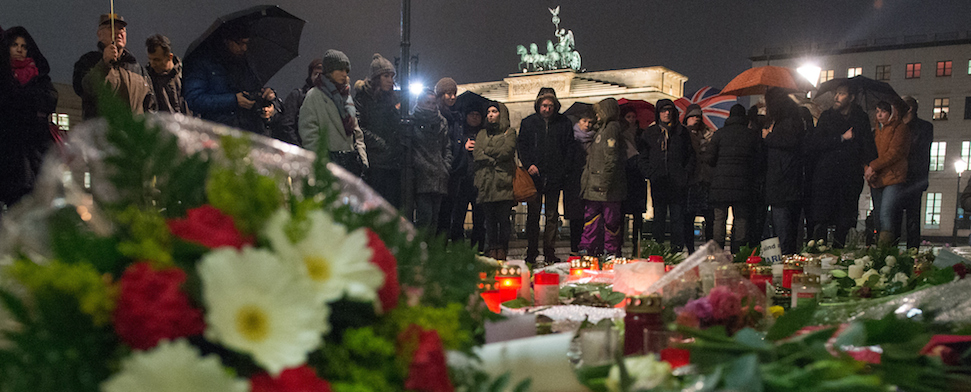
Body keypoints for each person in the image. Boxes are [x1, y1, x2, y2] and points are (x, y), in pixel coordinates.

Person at [805, 84, 871, 247]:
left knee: (845, 218)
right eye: (836, 93)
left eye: (841, 94)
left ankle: (838, 251)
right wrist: (841, 138)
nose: (836, 97)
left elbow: (867, 145)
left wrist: (868, 165)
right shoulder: (827, 116)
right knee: (822, 216)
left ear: (851, 97)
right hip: (827, 175)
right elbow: (817, 143)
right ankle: (818, 249)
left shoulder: (861, 118)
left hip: (850, 175)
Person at [183, 21, 276, 136]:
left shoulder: (246, 63)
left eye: (246, 43)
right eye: (240, 43)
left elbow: (254, 89)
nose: (244, 48)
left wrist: (266, 98)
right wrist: (233, 100)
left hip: (249, 132)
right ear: (227, 41)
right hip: (218, 134)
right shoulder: (202, 63)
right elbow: (193, 99)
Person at [0, 26, 57, 210]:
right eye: (14, 45)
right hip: (10, 156)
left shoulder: (39, 76)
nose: (19, 49)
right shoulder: (4, 77)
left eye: (23, 46)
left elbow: (49, 99)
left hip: (36, 154)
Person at [517, 87, 575, 264]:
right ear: (538, 105)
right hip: (534, 177)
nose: (547, 109)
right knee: (532, 216)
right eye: (544, 105)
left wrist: (563, 169)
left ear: (555, 106)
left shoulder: (564, 122)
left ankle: (550, 251)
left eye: (550, 105)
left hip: (555, 176)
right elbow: (522, 147)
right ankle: (532, 251)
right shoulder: (528, 123)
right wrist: (528, 165)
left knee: (552, 215)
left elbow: (569, 148)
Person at [298, 49, 368, 175]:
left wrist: (362, 160)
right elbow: (308, 132)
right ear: (329, 71)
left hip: (349, 164)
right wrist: (322, 160)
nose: (344, 74)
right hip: (328, 166)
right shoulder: (314, 95)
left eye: (346, 71)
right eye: (340, 69)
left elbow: (356, 132)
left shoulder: (346, 97)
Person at [73, 13, 155, 119]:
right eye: (111, 28)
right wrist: (104, 63)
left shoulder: (139, 69)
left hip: (133, 134)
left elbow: (151, 107)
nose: (118, 32)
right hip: (103, 133)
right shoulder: (88, 61)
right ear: (99, 34)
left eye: (121, 29)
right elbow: (84, 89)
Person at [638, 99, 695, 251]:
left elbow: (690, 156)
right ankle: (658, 249)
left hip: (678, 182)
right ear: (658, 113)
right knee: (659, 216)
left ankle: (676, 249)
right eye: (663, 111)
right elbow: (642, 156)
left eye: (669, 110)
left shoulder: (682, 132)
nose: (667, 113)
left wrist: (685, 174)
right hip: (659, 181)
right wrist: (650, 173)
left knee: (677, 217)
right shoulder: (650, 133)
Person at [704, 104, 761, 252]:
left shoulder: (720, 134)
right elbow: (758, 161)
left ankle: (717, 250)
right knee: (741, 219)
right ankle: (738, 250)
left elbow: (709, 158)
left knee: (719, 219)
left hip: (720, 183)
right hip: (743, 183)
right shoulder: (751, 135)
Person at [580, 98, 627, 257]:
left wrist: (604, 182)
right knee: (591, 219)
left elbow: (611, 157)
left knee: (610, 220)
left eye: (599, 111)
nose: (597, 115)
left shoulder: (611, 129)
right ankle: (589, 248)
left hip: (605, 188)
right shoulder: (602, 129)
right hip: (594, 186)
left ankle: (610, 251)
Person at [761, 87, 806, 255]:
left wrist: (768, 137)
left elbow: (789, 142)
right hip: (788, 181)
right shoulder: (792, 119)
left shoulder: (787, 122)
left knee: (783, 227)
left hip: (781, 181)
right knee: (788, 225)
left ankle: (785, 259)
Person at [354, 54, 402, 207]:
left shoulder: (392, 99)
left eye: (391, 76)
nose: (390, 80)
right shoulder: (363, 98)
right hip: (375, 162)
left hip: (392, 162)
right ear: (376, 78)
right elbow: (359, 127)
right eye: (386, 76)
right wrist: (378, 142)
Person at [473, 102, 517, 260]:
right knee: (489, 220)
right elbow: (477, 153)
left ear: (501, 114)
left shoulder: (509, 132)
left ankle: (503, 248)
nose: (490, 114)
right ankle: (493, 248)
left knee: (503, 220)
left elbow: (507, 151)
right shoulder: (482, 133)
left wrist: (487, 152)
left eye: (494, 111)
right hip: (485, 183)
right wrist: (491, 157)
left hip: (503, 182)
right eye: (488, 112)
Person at [866, 100, 911, 246]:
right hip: (877, 178)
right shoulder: (876, 131)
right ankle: (881, 248)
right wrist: (867, 169)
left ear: (891, 112)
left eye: (883, 111)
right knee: (878, 215)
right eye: (877, 111)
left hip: (893, 177)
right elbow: (869, 153)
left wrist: (872, 166)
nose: (879, 114)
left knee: (886, 213)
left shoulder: (900, 128)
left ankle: (886, 250)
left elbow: (894, 153)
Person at [408, 88, 452, 231]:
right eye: (428, 102)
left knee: (434, 219)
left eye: (433, 103)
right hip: (421, 175)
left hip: (439, 176)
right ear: (419, 102)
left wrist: (446, 166)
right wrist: (418, 164)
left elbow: (447, 147)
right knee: (425, 217)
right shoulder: (412, 121)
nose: (431, 106)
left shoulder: (441, 122)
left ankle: (429, 250)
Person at [452, 105, 487, 251]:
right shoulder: (459, 133)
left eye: (477, 114)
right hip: (463, 180)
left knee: (479, 220)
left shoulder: (485, 135)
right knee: (458, 217)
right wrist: (463, 148)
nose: (474, 117)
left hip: (479, 181)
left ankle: (477, 249)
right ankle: (457, 250)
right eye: (471, 114)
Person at [900, 96, 933, 249]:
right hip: (899, 178)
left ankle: (912, 253)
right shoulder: (898, 126)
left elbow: (918, 150)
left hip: (914, 178)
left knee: (913, 217)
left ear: (910, 108)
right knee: (896, 217)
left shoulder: (924, 127)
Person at [564, 110, 596, 254]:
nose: (587, 125)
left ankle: (588, 246)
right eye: (584, 121)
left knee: (590, 215)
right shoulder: (571, 139)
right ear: (578, 122)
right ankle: (575, 248)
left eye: (590, 122)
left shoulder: (595, 140)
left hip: (590, 180)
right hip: (573, 181)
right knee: (575, 217)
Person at [435, 77, 463, 237]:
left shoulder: (457, 117)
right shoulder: (438, 115)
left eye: (454, 93)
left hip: (455, 169)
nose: (452, 97)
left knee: (448, 212)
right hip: (442, 169)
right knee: (439, 213)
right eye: (448, 93)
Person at [684, 104, 714, 252]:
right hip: (690, 181)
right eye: (692, 116)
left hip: (706, 180)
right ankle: (690, 249)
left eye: (698, 116)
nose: (695, 118)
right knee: (688, 217)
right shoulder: (683, 134)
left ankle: (708, 248)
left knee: (709, 216)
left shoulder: (709, 134)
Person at [620, 105, 646, 256]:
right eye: (628, 117)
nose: (631, 119)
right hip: (625, 176)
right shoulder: (620, 134)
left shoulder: (642, 134)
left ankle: (638, 245)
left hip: (638, 175)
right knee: (621, 212)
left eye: (633, 117)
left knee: (638, 213)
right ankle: (620, 244)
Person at [279, 59, 322, 147]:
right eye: (316, 74)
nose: (319, 77)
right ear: (310, 75)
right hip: (301, 148)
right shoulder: (297, 95)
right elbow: (286, 125)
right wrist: (299, 147)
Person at [144, 34, 187, 114]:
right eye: (150, 59)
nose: (153, 64)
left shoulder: (186, 74)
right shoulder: (147, 80)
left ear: (169, 57)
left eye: (157, 60)